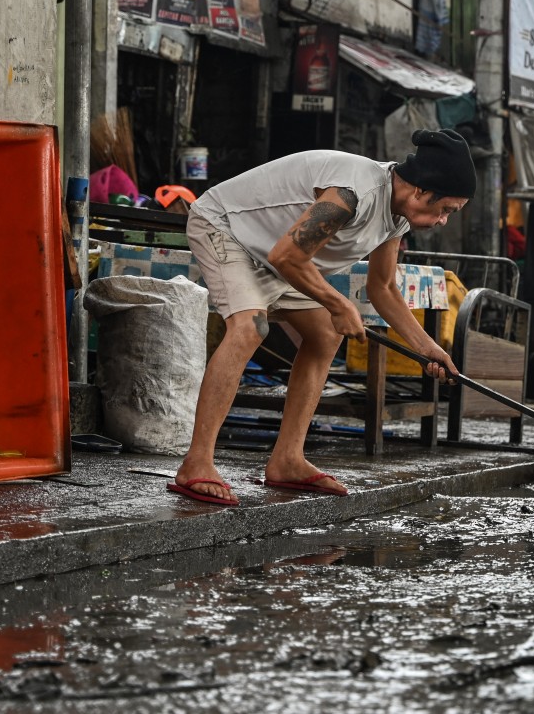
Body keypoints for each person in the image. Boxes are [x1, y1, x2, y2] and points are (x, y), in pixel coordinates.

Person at [170, 130, 475, 505]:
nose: (444, 220)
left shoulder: (396, 217)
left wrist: (427, 348)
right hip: (226, 228)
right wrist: (339, 304)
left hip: (274, 252)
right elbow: (287, 257)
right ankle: (196, 462)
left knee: (327, 334)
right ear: (419, 192)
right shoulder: (354, 192)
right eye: (446, 209)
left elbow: (383, 288)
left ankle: (287, 460)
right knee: (250, 327)